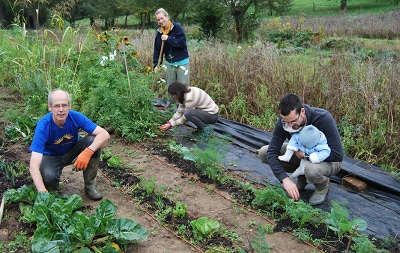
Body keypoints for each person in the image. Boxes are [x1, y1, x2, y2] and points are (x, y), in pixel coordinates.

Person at [257, 94, 343, 205]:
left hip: (328, 160)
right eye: (285, 121)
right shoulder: (284, 122)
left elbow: (337, 154)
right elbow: (272, 152)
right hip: (301, 156)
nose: (289, 125)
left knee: (311, 170)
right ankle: (302, 178)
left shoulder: (323, 118)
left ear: (302, 111)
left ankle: (322, 186)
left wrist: (306, 155)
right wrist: (285, 179)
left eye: (293, 121)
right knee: (264, 153)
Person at [29, 89, 110, 200]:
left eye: (64, 105)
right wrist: (42, 191)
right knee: (48, 177)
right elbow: (33, 165)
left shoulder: (75, 117)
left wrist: (87, 152)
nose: (61, 110)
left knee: (93, 140)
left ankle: (90, 187)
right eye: (57, 106)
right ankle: (53, 191)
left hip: (71, 150)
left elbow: (104, 134)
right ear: (50, 107)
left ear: (69, 106)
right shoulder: (44, 126)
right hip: (51, 157)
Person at [153, 8, 190, 105]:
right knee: (171, 88)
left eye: (162, 18)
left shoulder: (176, 27)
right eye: (158, 20)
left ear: (167, 16)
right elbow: (157, 50)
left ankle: (184, 109)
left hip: (182, 62)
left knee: (182, 88)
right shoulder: (159, 32)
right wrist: (156, 65)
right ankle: (171, 109)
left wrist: (168, 38)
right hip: (170, 63)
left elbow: (182, 43)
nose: (161, 21)